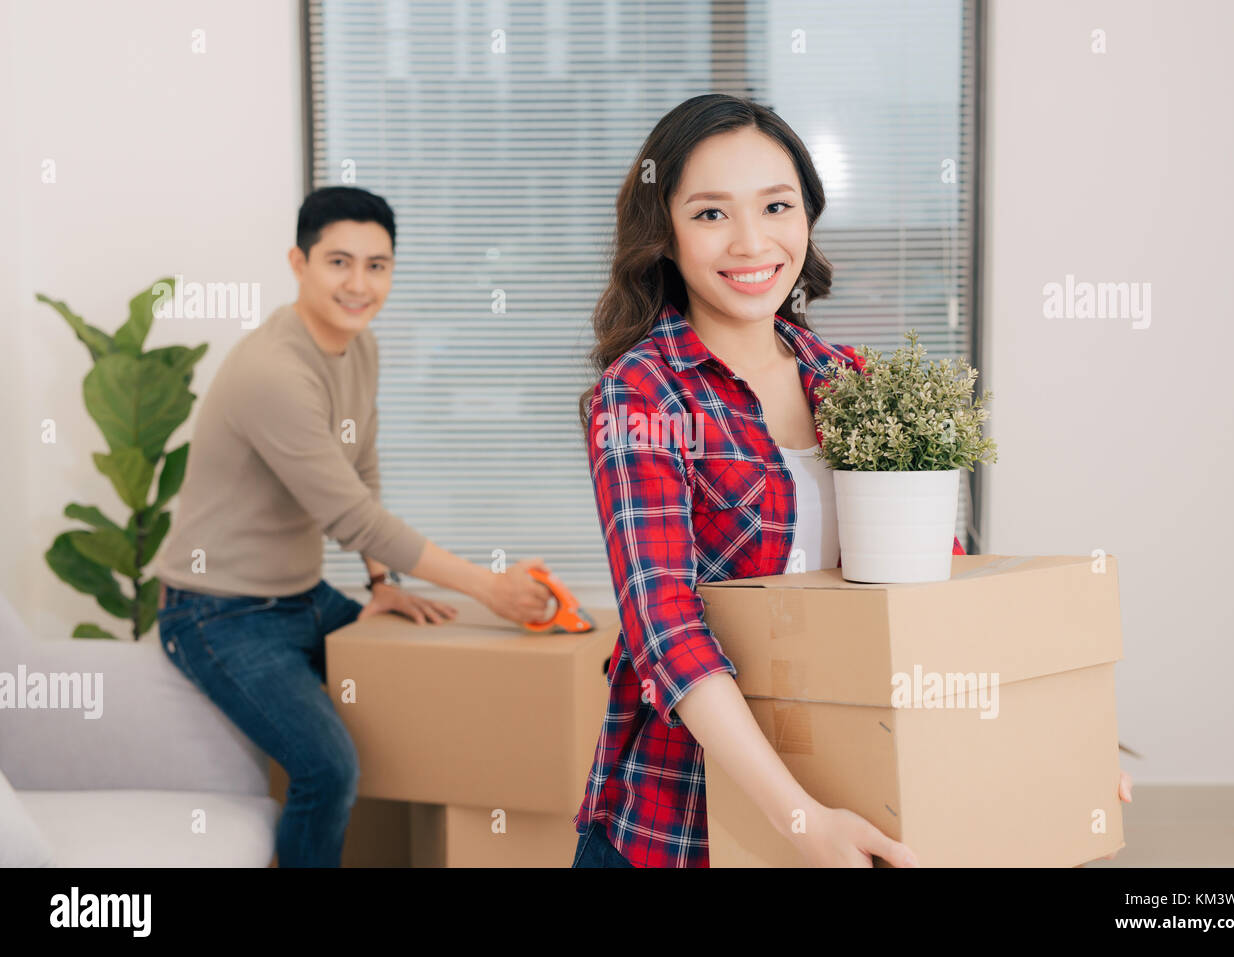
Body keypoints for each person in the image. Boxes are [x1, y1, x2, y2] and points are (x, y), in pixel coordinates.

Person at [571, 94, 1132, 868]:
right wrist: (801, 819)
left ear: (808, 216)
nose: (750, 241)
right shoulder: (643, 395)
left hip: (864, 790)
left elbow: (941, 590)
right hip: (689, 820)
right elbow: (664, 630)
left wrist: (1056, 742)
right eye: (709, 214)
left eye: (777, 205)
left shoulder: (850, 382)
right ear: (662, 231)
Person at [154, 186, 553, 867]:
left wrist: (381, 582)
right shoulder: (274, 372)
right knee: (329, 767)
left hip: (302, 597)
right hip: (217, 615)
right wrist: (488, 587)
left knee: (419, 689)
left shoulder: (358, 347)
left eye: (378, 265)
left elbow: (359, 465)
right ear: (298, 262)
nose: (359, 283)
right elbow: (353, 514)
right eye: (340, 262)